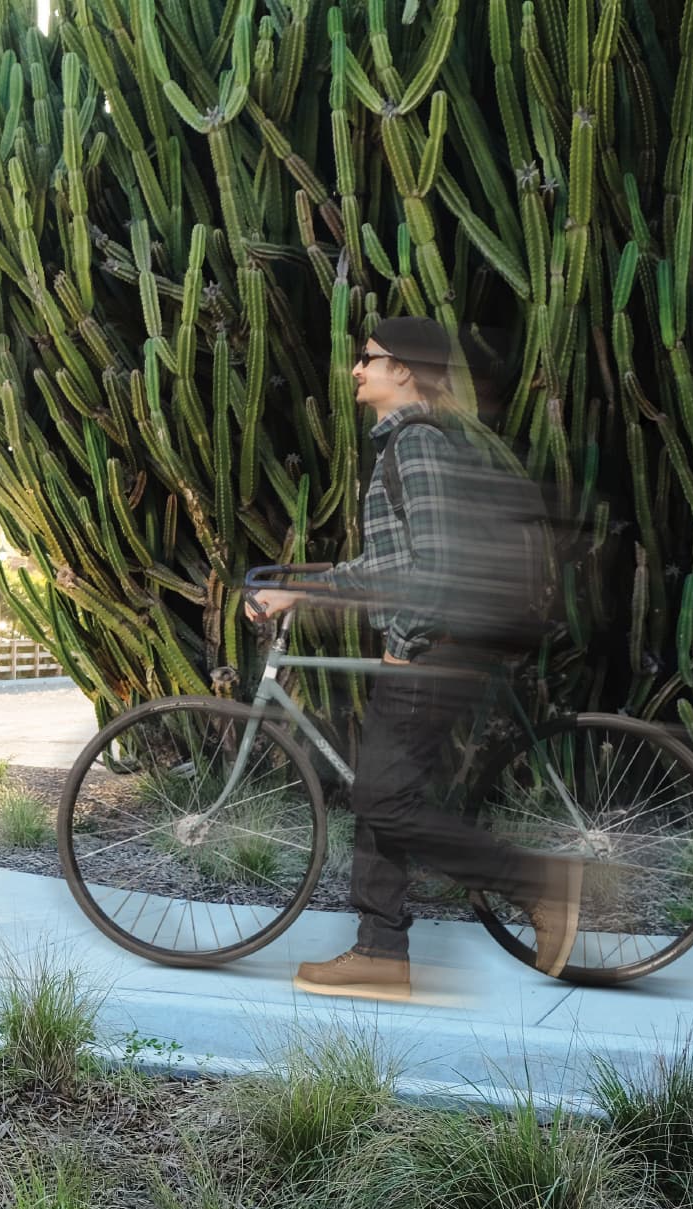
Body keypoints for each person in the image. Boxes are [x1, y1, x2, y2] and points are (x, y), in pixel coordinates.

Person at [247, 317, 579, 999]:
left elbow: (438, 566)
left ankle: (538, 884)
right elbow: (388, 562)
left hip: (435, 649)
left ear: (402, 369)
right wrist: (303, 591)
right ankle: (379, 950)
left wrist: (404, 643)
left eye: (366, 359)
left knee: (381, 799)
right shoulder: (407, 444)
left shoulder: (418, 445)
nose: (355, 371)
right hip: (436, 644)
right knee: (382, 792)